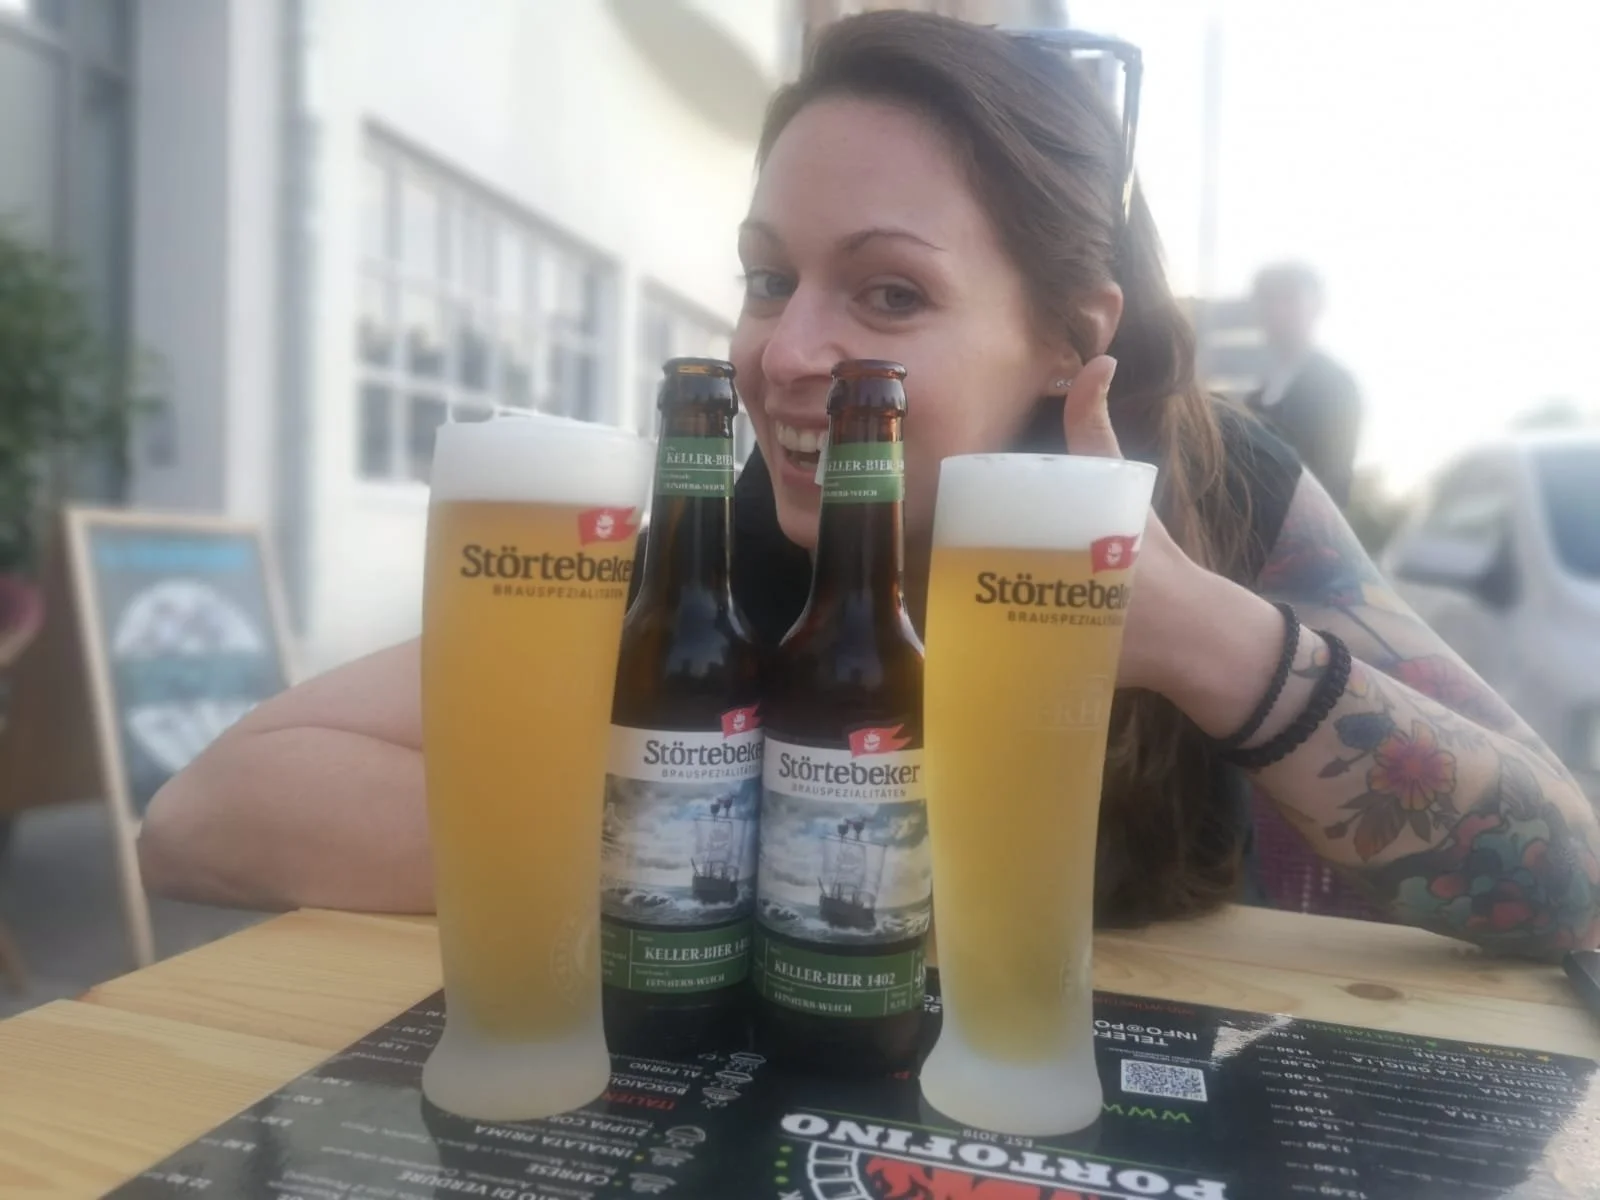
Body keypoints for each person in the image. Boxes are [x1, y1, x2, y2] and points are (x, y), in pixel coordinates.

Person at [139, 12, 1600, 959]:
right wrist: (741, 851)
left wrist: (1191, 633)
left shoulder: (1212, 491)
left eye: (890, 294)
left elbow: (1569, 876)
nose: (788, 349)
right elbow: (206, 811)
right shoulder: (727, 558)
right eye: (768, 277)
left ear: (1068, 342)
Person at [1246, 263, 1363, 508]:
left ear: (1317, 306)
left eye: (1288, 299)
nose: (1276, 311)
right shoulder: (1259, 393)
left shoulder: (1334, 386)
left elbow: (1332, 480)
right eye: (1267, 300)